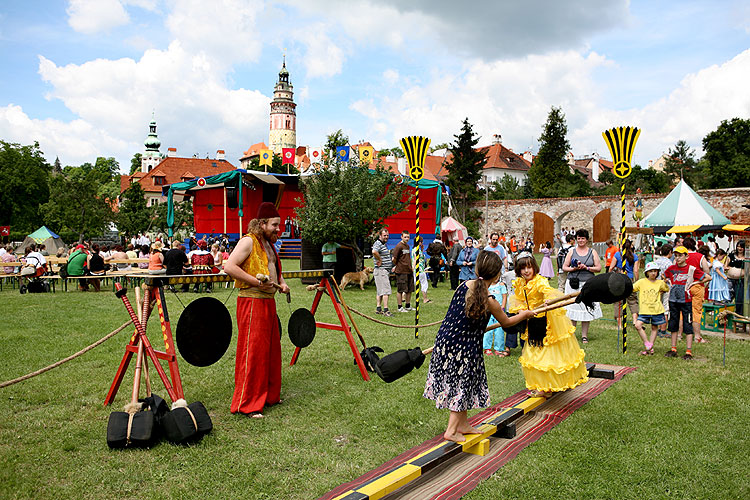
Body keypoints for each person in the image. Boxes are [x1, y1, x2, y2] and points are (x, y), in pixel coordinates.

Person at [423, 251, 535, 443]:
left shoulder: (462, 285)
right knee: (463, 385)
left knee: (463, 382)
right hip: (464, 348)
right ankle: (451, 431)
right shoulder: (490, 300)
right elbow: (507, 322)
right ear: (497, 275)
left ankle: (463, 425)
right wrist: (524, 315)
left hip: (445, 342)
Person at [224, 202, 289, 418]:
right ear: (262, 224)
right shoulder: (247, 242)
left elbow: (274, 270)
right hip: (251, 303)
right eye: (274, 225)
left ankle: (269, 396)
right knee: (253, 354)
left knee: (270, 352)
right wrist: (256, 282)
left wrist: (282, 282)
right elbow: (229, 267)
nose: (278, 229)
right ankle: (248, 403)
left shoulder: (269, 245)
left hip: (267, 303)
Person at [509, 252, 589, 399]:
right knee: (533, 354)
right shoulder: (519, 283)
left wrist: (548, 300)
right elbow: (519, 298)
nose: (526, 271)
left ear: (534, 267)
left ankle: (546, 387)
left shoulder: (539, 281)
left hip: (545, 323)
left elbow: (548, 292)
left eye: (529, 267)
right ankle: (542, 385)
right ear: (518, 270)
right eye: (523, 268)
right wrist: (521, 310)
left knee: (544, 355)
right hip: (530, 321)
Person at [664, 246, 710, 360]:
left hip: (686, 300)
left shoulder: (691, 269)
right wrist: (669, 281)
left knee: (687, 324)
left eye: (680, 255)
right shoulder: (672, 268)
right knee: (673, 323)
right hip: (673, 300)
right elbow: (664, 275)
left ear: (686, 256)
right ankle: (673, 348)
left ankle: (688, 351)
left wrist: (695, 283)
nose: (678, 258)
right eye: (676, 255)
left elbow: (708, 277)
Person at [563, 229, 602, 343]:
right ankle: (572, 334)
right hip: (573, 283)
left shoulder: (592, 252)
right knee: (573, 307)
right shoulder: (571, 252)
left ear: (587, 239)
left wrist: (587, 268)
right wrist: (573, 268)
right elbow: (565, 267)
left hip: (588, 284)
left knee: (586, 308)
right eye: (579, 238)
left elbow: (598, 268)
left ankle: (584, 335)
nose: (580, 241)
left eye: (583, 238)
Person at [633, 262, 670, 355]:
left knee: (654, 327)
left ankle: (650, 348)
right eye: (651, 271)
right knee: (638, 325)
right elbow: (632, 288)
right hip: (644, 310)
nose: (653, 273)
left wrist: (664, 284)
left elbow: (666, 289)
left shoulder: (660, 283)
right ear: (647, 272)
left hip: (656, 310)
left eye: (655, 271)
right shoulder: (641, 282)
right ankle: (647, 343)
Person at [684, 237, 711, 343]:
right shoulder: (700, 257)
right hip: (697, 285)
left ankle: (680, 335)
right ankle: (697, 336)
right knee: (696, 311)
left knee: (682, 311)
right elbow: (706, 271)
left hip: (684, 285)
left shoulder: (681, 257)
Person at [609, 239, 640, 328]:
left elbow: (611, 267)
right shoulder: (634, 256)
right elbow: (636, 270)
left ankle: (619, 324)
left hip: (618, 279)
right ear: (631, 246)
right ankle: (635, 320)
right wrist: (636, 281)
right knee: (633, 300)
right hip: (629, 279)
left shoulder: (618, 254)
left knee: (618, 301)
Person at [484, 276, 509, 356]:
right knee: (488, 329)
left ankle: (498, 348)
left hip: (499, 311)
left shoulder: (501, 285)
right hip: (488, 310)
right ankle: (487, 348)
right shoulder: (487, 286)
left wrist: (502, 307)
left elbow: (504, 297)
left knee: (499, 330)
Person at [654, 244, 674, 337]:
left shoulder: (656, 261)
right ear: (670, 252)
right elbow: (671, 276)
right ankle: (663, 330)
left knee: (657, 307)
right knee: (665, 308)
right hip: (666, 287)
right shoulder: (669, 263)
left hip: (656, 286)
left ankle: (656, 328)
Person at [372, 228, 393, 316]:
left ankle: (378, 308)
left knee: (380, 291)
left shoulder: (382, 244)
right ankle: (386, 310)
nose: (386, 237)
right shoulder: (378, 243)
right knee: (385, 291)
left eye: (387, 235)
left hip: (381, 270)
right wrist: (380, 259)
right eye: (384, 235)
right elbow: (374, 251)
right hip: (381, 270)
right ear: (380, 235)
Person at [392, 231, 414, 312]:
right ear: (401, 237)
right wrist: (398, 265)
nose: (407, 238)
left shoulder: (407, 246)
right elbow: (394, 258)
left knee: (409, 289)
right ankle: (400, 307)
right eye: (405, 237)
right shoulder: (399, 246)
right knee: (400, 289)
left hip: (409, 270)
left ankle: (408, 305)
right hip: (401, 271)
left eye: (408, 237)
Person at [412, 236, 431, 304]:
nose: (422, 243)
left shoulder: (414, 249)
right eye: (421, 242)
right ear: (419, 242)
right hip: (420, 269)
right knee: (424, 283)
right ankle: (425, 298)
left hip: (415, 270)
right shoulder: (417, 250)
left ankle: (404, 297)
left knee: (413, 283)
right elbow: (417, 259)